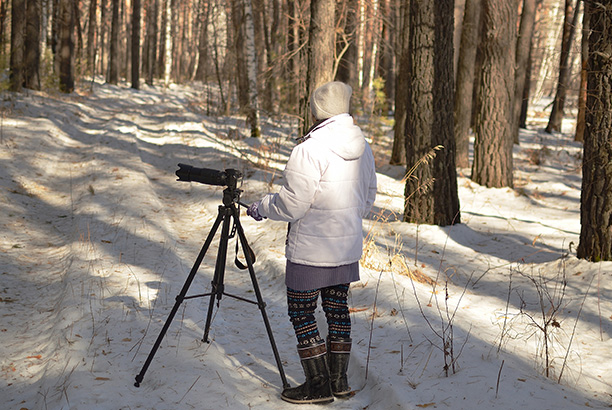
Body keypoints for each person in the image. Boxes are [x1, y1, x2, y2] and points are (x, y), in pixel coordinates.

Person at [247, 81, 377, 404]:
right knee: (337, 310)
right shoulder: (364, 147)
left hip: (310, 253)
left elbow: (292, 204)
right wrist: (347, 222)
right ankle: (339, 381)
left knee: (302, 312)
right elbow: (369, 196)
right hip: (345, 250)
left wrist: (263, 207)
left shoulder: (309, 149)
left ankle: (317, 385)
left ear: (318, 111)